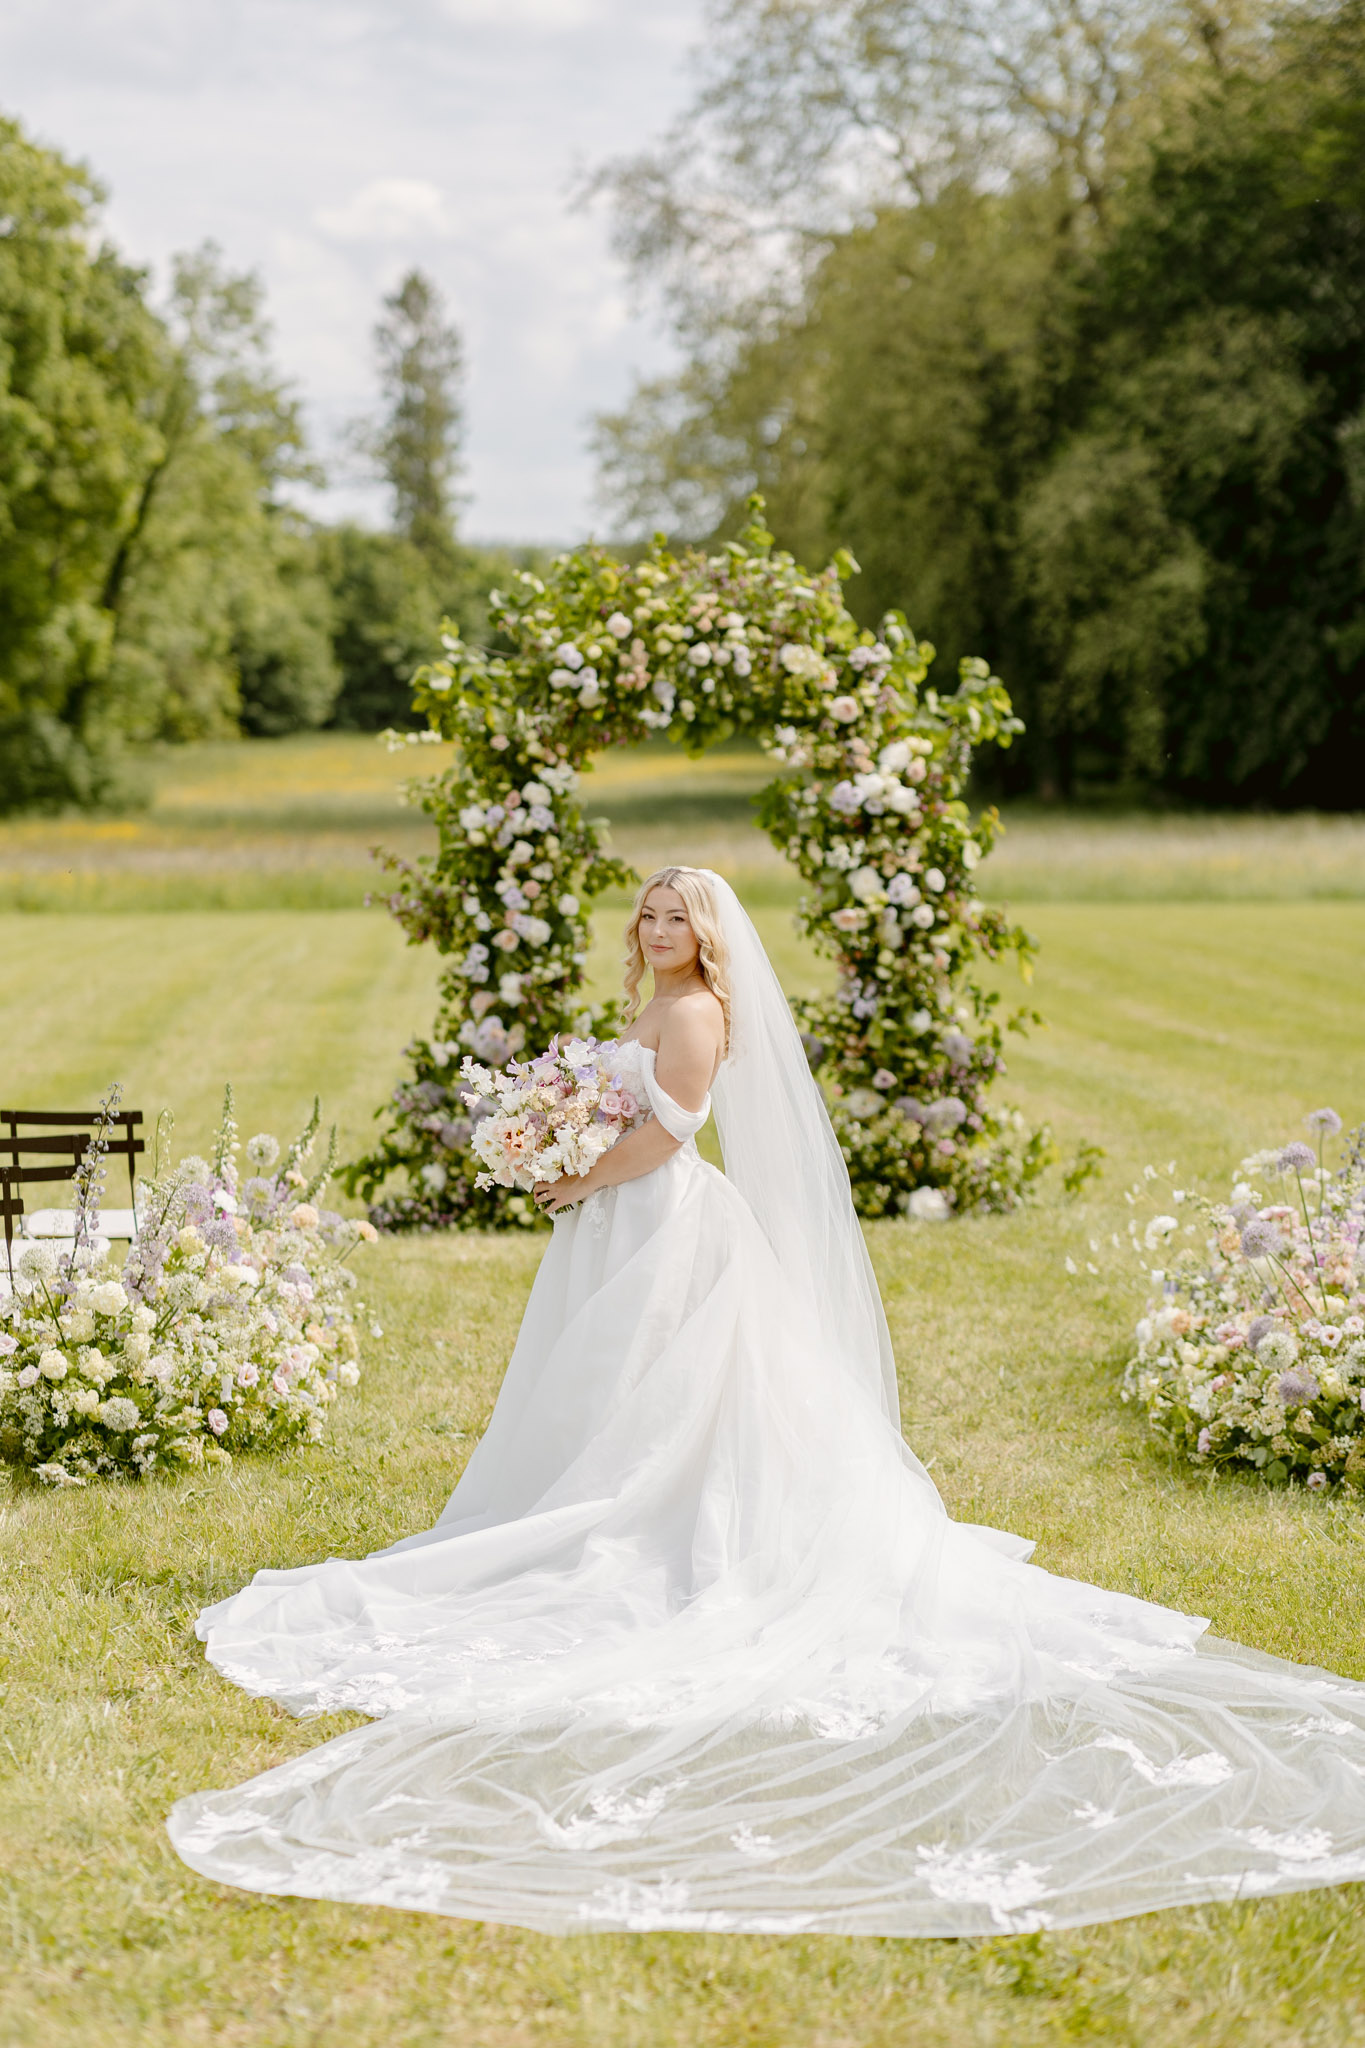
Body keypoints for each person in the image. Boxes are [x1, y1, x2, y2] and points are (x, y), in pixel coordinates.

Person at [169, 867, 1365, 1936]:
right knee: (604, 1388)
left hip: (660, 1221)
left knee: (670, 1393)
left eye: (677, 913)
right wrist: (554, 1145)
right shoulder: (647, 1001)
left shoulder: (695, 1012)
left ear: (710, 936)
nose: (657, 926)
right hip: (610, 1222)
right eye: (647, 911)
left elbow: (674, 1129)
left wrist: (577, 1168)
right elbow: (621, 1107)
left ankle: (664, 1516)